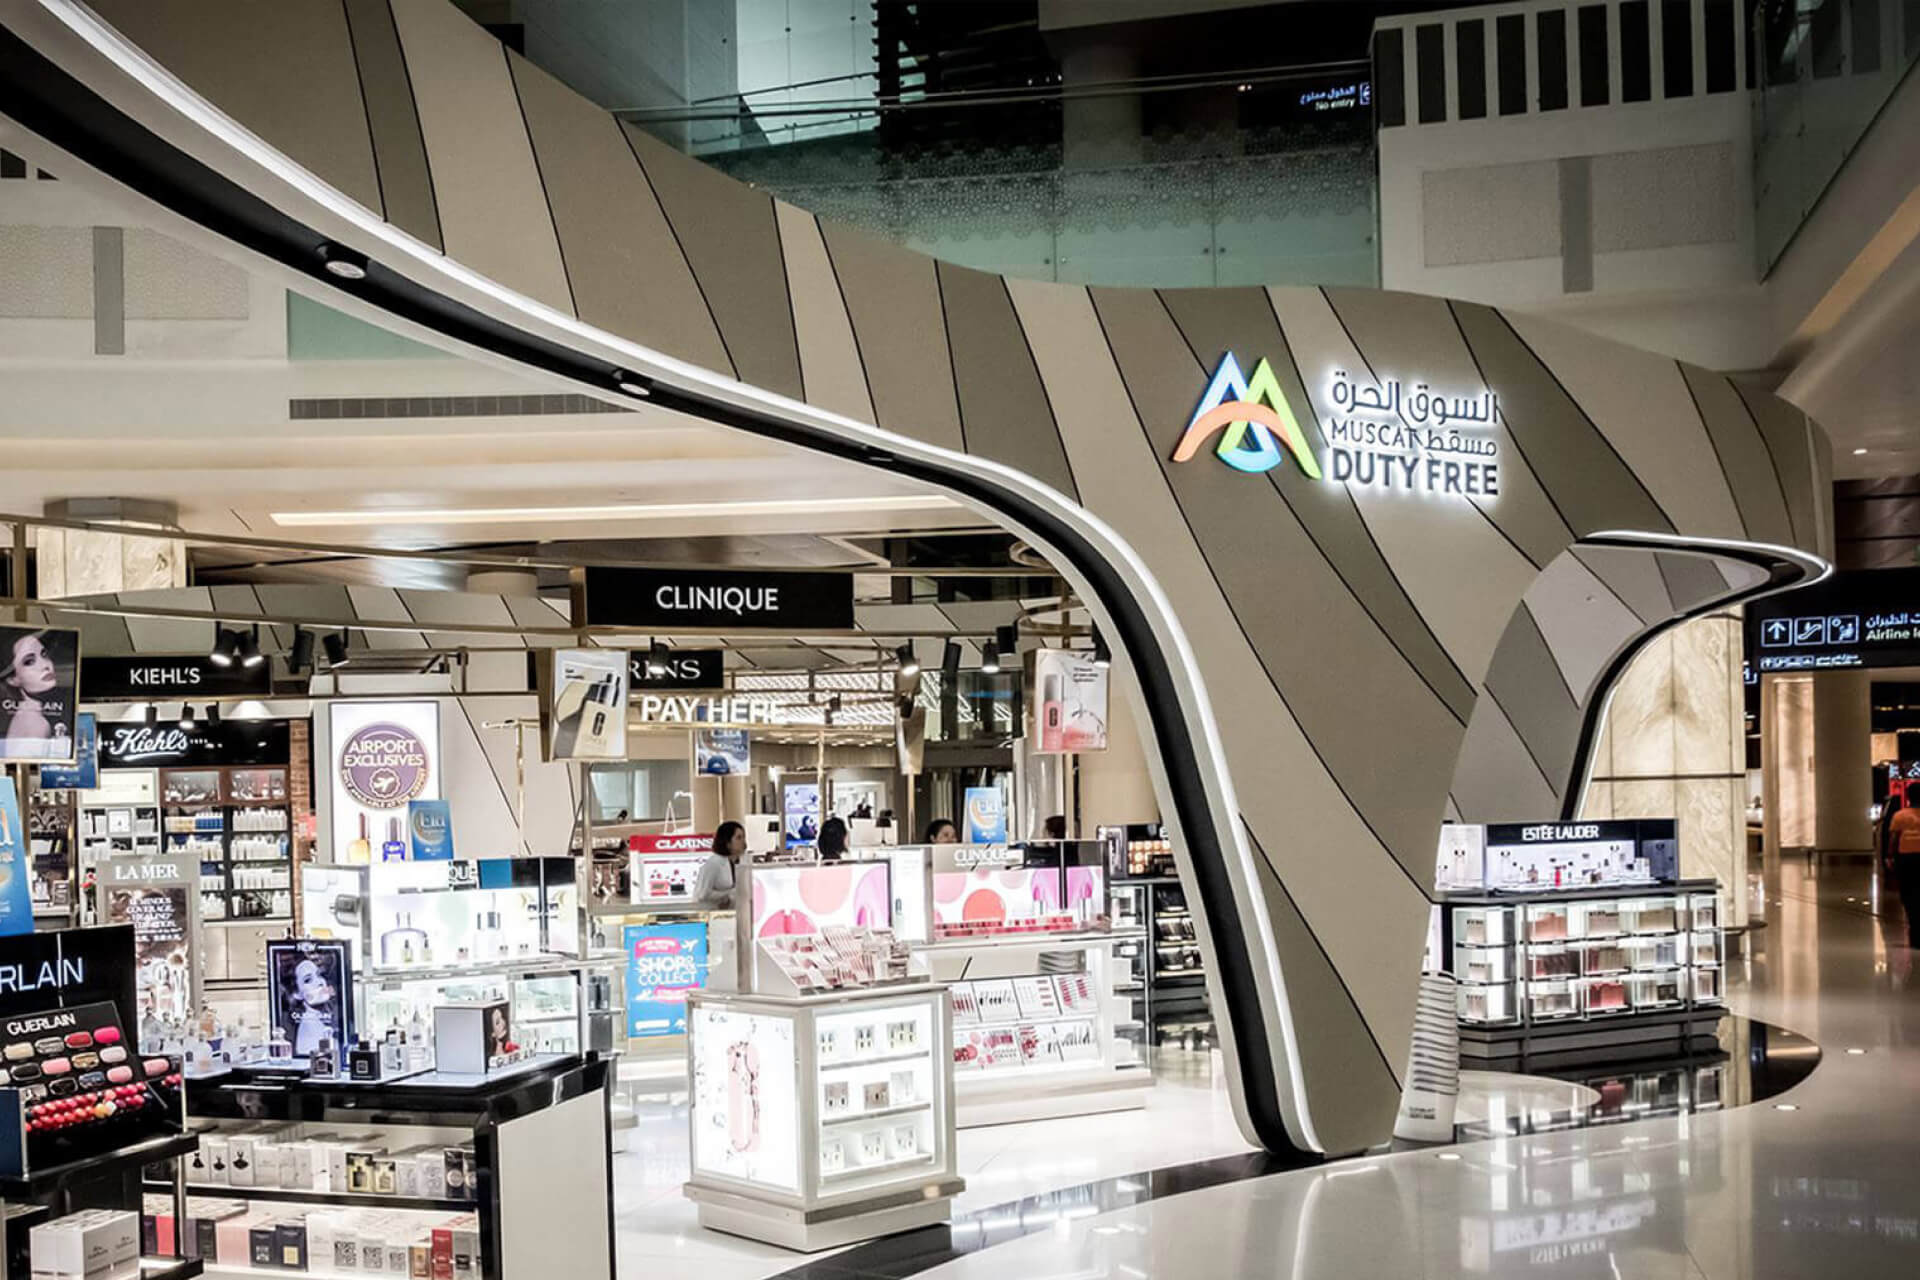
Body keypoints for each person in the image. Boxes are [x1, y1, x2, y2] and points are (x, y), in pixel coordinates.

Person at [1, 630, 68, 759]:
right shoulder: (36, 724)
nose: (46, 666)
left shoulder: (23, 716)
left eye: (44, 654)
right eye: (29, 662)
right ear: (12, 679)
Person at [693, 822, 745, 909]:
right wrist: (729, 894)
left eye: (743, 837)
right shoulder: (714, 864)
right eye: (738, 838)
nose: (743, 842)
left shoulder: (738, 862)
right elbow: (702, 894)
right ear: (727, 842)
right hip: (710, 912)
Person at [1891, 793, 1920, 948]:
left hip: (1906, 858)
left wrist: (1890, 856)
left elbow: (1894, 838)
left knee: (1908, 893)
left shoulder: (1900, 816)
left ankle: (1914, 927)